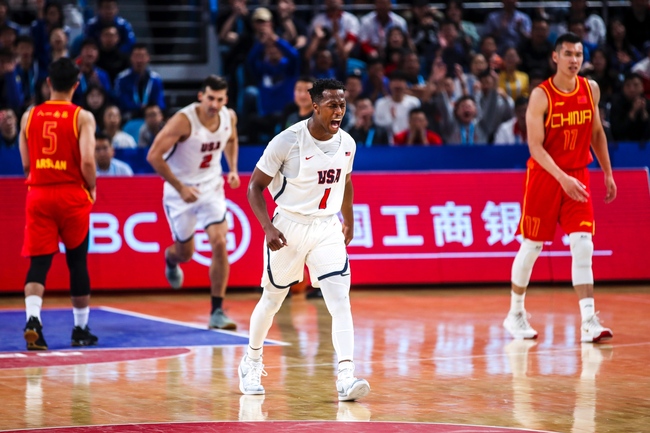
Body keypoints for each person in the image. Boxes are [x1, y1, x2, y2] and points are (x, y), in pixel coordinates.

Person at [239, 78, 370, 402]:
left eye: (342, 104)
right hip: (288, 227)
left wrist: (348, 220)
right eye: (332, 105)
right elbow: (254, 187)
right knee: (272, 301)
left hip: (326, 227)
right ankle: (251, 361)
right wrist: (268, 227)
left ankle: (346, 376)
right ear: (315, 106)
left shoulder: (348, 143)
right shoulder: (288, 141)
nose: (338, 110)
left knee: (340, 302)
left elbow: (346, 181)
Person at [503, 33, 617, 343]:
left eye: (578, 54)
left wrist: (607, 172)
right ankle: (515, 312)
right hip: (544, 177)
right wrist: (561, 178)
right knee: (532, 246)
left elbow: (596, 134)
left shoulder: (589, 89)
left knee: (584, 245)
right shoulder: (541, 95)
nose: (574, 60)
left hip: (578, 174)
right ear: (556, 57)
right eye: (568, 53)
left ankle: (589, 320)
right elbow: (535, 147)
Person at [146, 75, 240, 330]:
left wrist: (232, 168)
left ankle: (217, 311)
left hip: (211, 187)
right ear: (201, 96)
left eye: (219, 99)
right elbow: (153, 156)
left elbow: (231, 140)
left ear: (225, 100)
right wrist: (180, 187)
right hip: (180, 193)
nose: (214, 104)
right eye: (210, 98)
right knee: (185, 253)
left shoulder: (229, 117)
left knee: (219, 243)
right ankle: (171, 258)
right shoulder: (183, 121)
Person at [17, 57, 98, 351]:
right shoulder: (82, 117)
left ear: (48, 83)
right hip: (71, 195)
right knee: (77, 261)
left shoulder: (29, 116)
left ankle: (33, 321)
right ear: (76, 85)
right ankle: (79, 329)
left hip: (38, 193)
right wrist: (92, 186)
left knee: (39, 263)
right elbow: (88, 160)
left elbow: (26, 164)